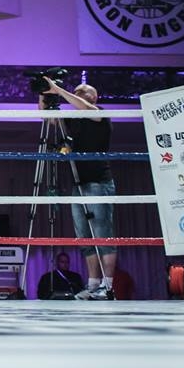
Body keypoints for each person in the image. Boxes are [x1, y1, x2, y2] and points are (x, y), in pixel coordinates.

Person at [40, 78, 116, 300]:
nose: (80, 93)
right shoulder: (72, 119)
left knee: (102, 234)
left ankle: (108, 286)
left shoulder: (100, 114)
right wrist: (44, 93)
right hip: (79, 183)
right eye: (77, 91)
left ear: (95, 97)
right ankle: (93, 285)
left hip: (99, 182)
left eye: (84, 91)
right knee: (84, 237)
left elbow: (86, 108)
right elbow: (48, 119)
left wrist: (59, 89)